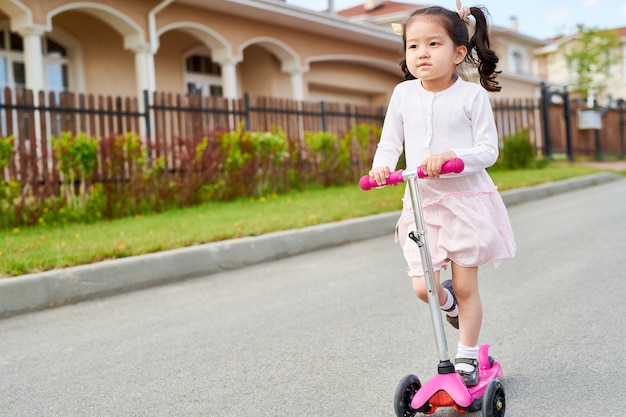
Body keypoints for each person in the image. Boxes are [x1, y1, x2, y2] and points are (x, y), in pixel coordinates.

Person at [368, 3, 516, 387]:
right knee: (424, 287)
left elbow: (488, 151)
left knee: (466, 287)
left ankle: (467, 358)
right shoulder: (402, 95)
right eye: (413, 46)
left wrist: (455, 157)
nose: (422, 53)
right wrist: (380, 167)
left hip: (466, 201)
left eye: (433, 43)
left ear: (459, 53)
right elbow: (390, 143)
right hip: (422, 205)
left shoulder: (471, 97)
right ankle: (448, 305)